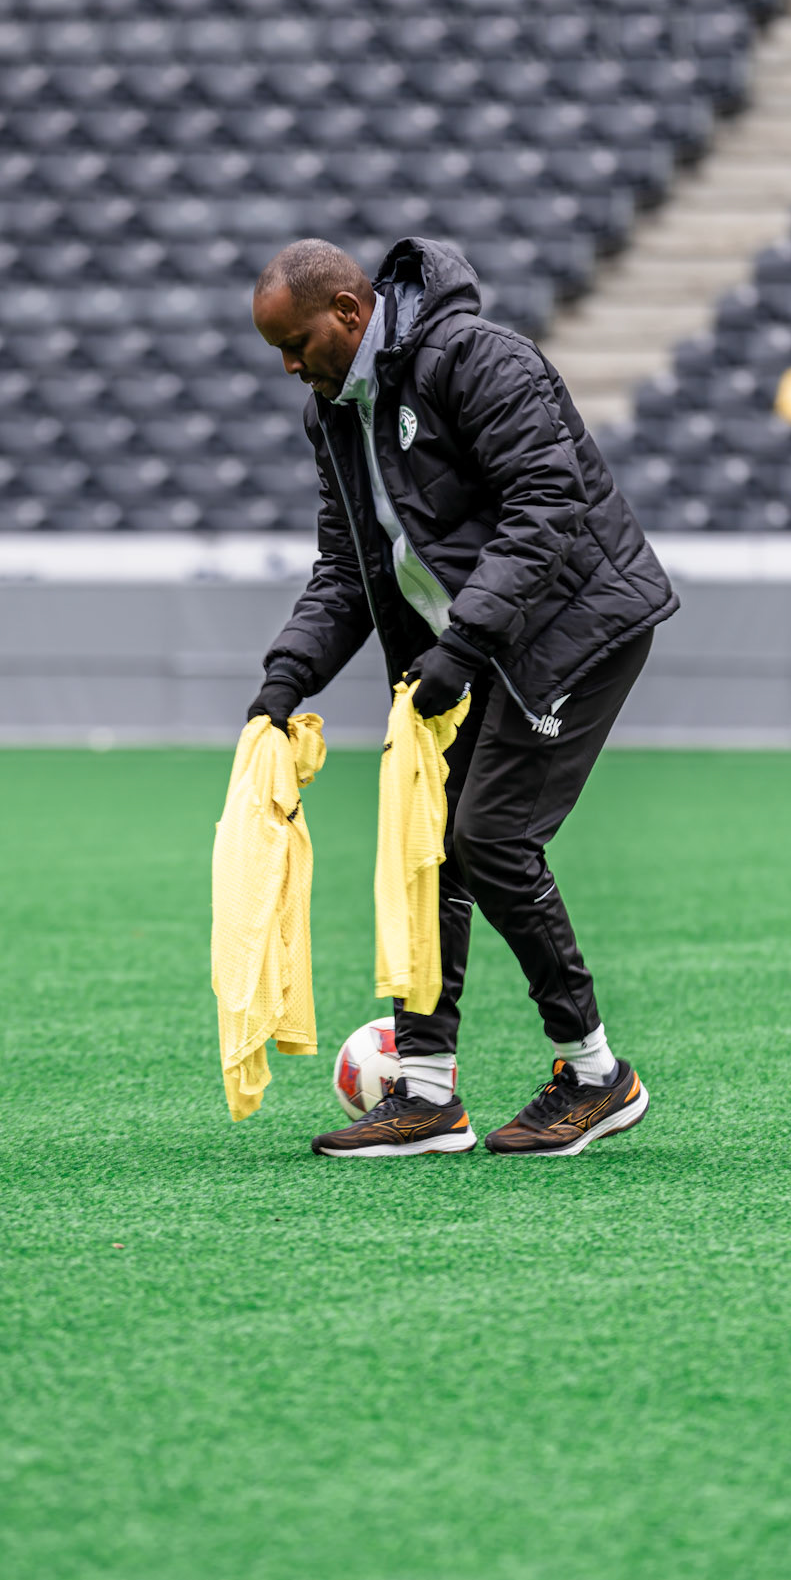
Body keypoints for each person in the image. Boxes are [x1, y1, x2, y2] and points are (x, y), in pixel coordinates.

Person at [248, 235, 678, 1158]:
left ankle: (597, 1076)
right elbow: (348, 566)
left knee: (489, 838)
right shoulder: (335, 410)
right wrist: (286, 676)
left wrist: (466, 644)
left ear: (348, 314)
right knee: (425, 849)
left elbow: (545, 508)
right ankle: (425, 1094)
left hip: (574, 627)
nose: (288, 366)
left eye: (295, 343)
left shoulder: (479, 357)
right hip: (472, 647)